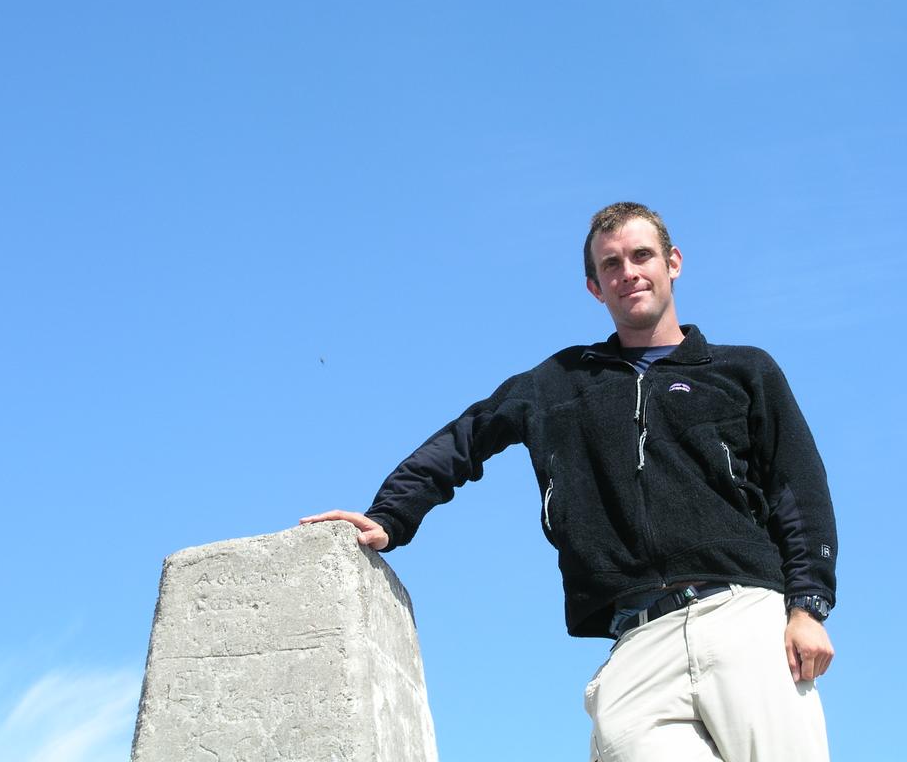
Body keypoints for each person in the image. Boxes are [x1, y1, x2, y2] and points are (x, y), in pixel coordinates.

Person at [301, 202, 837, 761]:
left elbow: (797, 489)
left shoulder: (743, 371)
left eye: (641, 255)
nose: (627, 271)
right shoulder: (558, 383)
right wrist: (390, 515)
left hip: (744, 619)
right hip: (636, 641)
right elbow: (466, 438)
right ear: (594, 287)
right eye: (611, 264)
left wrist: (808, 606)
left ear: (672, 263)